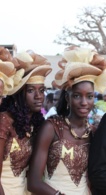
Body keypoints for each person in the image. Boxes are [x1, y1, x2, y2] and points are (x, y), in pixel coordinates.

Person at [27, 46, 106, 195]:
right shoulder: (52, 127)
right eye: (77, 96)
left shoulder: (94, 132)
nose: (84, 102)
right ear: (67, 98)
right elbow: (34, 182)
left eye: (89, 96)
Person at [0, 50, 52, 195]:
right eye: (31, 90)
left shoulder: (36, 125)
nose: (38, 96)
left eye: (41, 90)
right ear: (19, 93)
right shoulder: (4, 121)